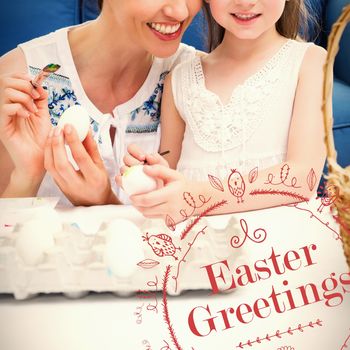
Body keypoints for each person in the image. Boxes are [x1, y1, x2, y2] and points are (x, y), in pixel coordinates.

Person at [120, 0, 328, 222]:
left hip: (277, 247)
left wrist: (192, 198)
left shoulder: (309, 62)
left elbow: (302, 179)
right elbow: (172, 180)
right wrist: (154, 177)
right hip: (200, 246)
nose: (246, 2)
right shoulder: (179, 80)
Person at [0, 0, 201, 206]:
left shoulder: (200, 81)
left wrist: (102, 201)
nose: (180, 11)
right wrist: (27, 176)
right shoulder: (15, 81)